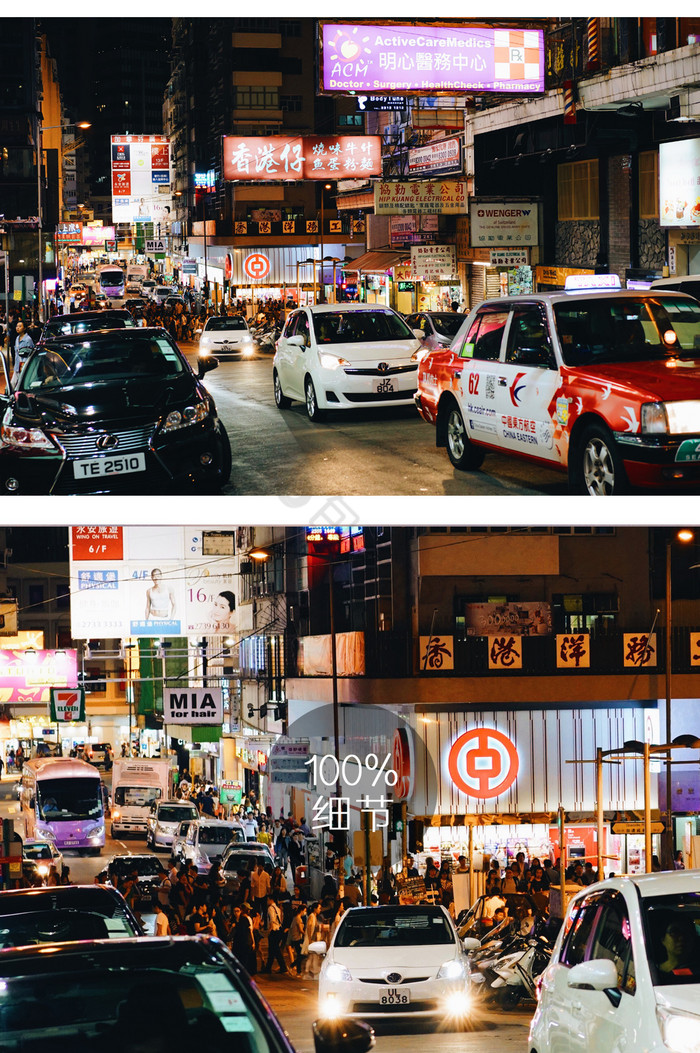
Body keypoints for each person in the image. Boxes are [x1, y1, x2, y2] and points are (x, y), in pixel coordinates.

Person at [262, 893, 288, 973]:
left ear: (270, 899)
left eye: (267, 900)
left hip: (274, 930)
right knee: (272, 950)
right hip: (279, 930)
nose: (266, 901)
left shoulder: (270, 908)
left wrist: (270, 929)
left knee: (274, 950)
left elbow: (272, 919)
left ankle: (282, 967)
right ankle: (268, 968)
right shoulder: (278, 908)